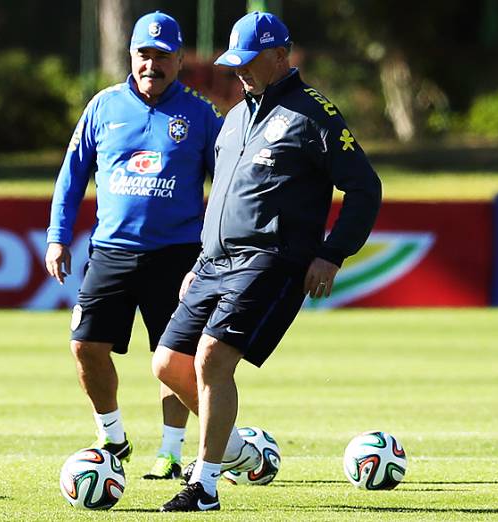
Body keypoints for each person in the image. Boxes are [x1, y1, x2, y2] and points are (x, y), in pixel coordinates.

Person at [152, 11, 383, 511]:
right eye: (234, 62)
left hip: (272, 259)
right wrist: (201, 258)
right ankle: (237, 450)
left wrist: (331, 253)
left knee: (213, 358)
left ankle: (205, 484)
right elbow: (225, 197)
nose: (240, 71)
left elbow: (365, 188)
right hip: (214, 262)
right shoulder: (235, 115)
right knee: (168, 364)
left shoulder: (314, 115)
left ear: (282, 56)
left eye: (250, 61)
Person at [45, 11, 222, 480]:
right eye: (145, 54)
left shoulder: (201, 115)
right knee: (85, 345)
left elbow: (225, 186)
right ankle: (112, 436)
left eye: (163, 57)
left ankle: (170, 451)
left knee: (174, 359)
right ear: (131, 56)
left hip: (178, 255)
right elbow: (71, 176)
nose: (152, 65)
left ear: (180, 60)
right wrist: (58, 236)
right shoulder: (103, 107)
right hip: (111, 251)